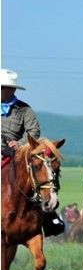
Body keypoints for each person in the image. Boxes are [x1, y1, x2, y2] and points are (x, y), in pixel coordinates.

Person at [1, 68, 65, 236]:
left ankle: (49, 217)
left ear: (12, 89)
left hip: (17, 153)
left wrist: (19, 144)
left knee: (38, 175)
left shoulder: (24, 109)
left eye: (2, 87)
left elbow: (33, 132)